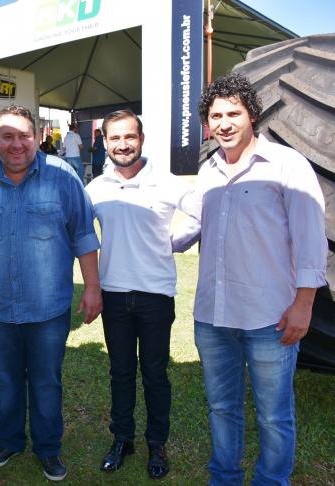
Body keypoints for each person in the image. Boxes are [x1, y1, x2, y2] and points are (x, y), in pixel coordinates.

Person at [173, 73, 327, 485]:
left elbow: (311, 240)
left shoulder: (287, 165)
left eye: (233, 113)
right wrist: (143, 233)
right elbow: (190, 227)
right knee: (221, 408)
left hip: (269, 317)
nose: (224, 123)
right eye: (215, 116)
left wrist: (304, 304)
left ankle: (271, 481)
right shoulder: (208, 170)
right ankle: (224, 478)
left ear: (252, 115)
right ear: (206, 123)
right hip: (213, 316)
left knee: (274, 415)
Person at [0, 105, 102, 482]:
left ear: (36, 137)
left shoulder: (62, 176)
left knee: (46, 382)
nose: (17, 144)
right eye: (8, 137)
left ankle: (48, 448)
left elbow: (84, 235)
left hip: (48, 308)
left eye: (24, 136)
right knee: (7, 381)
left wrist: (93, 288)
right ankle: (10, 441)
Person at [85, 109, 197, 479]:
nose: (123, 144)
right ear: (104, 142)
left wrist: (175, 242)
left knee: (154, 373)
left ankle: (156, 443)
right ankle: (123, 439)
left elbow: (203, 212)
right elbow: (80, 232)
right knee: (120, 372)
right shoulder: (95, 189)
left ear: (142, 139)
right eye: (115, 138)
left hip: (155, 295)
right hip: (114, 295)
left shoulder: (166, 181)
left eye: (129, 136)